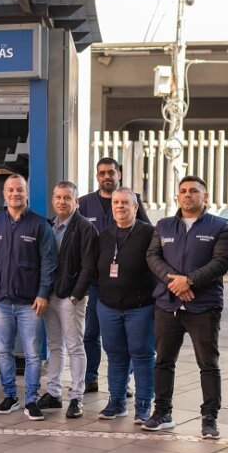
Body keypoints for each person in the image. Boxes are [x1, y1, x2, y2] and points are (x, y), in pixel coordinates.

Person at [144, 176, 228, 438]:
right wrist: (174, 282)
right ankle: (162, 412)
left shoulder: (220, 226)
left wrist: (190, 281)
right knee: (162, 361)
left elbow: (220, 262)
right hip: (166, 304)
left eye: (194, 191)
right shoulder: (163, 225)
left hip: (203, 306)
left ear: (204, 197)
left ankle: (209, 418)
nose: (187, 195)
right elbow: (152, 256)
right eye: (182, 191)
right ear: (177, 196)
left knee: (208, 363)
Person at [77, 157, 150, 394]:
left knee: (127, 338)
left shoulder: (132, 200)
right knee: (91, 333)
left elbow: (149, 235)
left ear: (118, 174)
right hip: (98, 282)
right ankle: (91, 377)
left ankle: (125, 381)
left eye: (111, 172)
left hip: (130, 285)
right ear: (96, 176)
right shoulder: (85, 203)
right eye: (102, 173)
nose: (106, 177)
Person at [0, 174, 57, 421]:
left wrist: (43, 293)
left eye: (19, 189)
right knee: (5, 351)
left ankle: (30, 399)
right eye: (10, 189)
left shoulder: (40, 225)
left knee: (32, 353)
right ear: (4, 193)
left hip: (30, 302)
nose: (15, 193)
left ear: (26, 193)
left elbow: (49, 262)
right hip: (1, 300)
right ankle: (10, 396)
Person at [35, 181, 97, 419]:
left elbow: (89, 266)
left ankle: (77, 397)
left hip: (71, 297)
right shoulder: (49, 225)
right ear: (53, 199)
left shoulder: (84, 228)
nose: (62, 201)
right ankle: (53, 392)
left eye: (67, 198)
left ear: (76, 201)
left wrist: (76, 295)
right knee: (54, 346)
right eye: (58, 197)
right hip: (50, 295)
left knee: (74, 346)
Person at [94, 188, 156, 423]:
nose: (120, 206)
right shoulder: (105, 235)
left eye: (125, 203)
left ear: (135, 207)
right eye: (116, 202)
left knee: (142, 355)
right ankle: (117, 402)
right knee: (116, 355)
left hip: (140, 307)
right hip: (108, 306)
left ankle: (143, 406)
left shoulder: (149, 233)